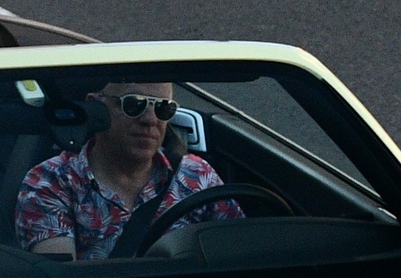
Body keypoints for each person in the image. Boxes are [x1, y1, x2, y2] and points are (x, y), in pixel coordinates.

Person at [15, 81, 243, 259]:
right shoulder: (52, 180)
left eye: (164, 108)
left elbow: (235, 254)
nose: (150, 120)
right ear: (96, 107)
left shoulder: (197, 175)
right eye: (134, 104)